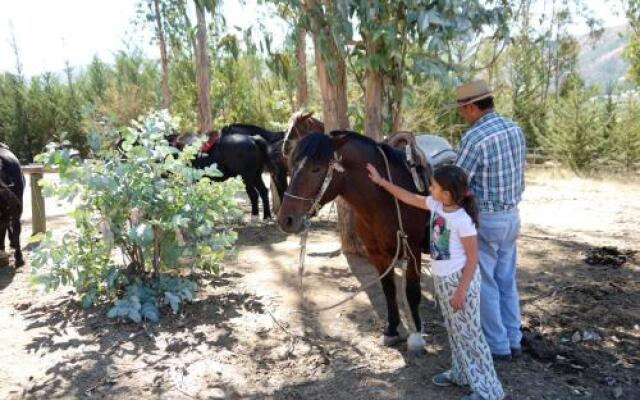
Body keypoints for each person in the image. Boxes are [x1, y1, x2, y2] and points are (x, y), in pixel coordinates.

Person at [367, 163, 504, 400]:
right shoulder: (437, 205)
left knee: (471, 336)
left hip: (460, 282)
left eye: (433, 185)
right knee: (455, 332)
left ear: (447, 193)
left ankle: (489, 390)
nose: (429, 188)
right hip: (443, 281)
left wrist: (461, 291)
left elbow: (473, 259)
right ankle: (462, 373)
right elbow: (408, 197)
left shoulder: (463, 220)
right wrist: (380, 181)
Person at [448, 80, 527, 360]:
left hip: (488, 219)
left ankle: (497, 345)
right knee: (507, 279)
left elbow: (456, 183)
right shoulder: (515, 129)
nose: (462, 115)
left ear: (471, 107)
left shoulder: (474, 138)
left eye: (461, 110)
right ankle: (514, 337)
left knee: (485, 283)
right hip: (512, 216)